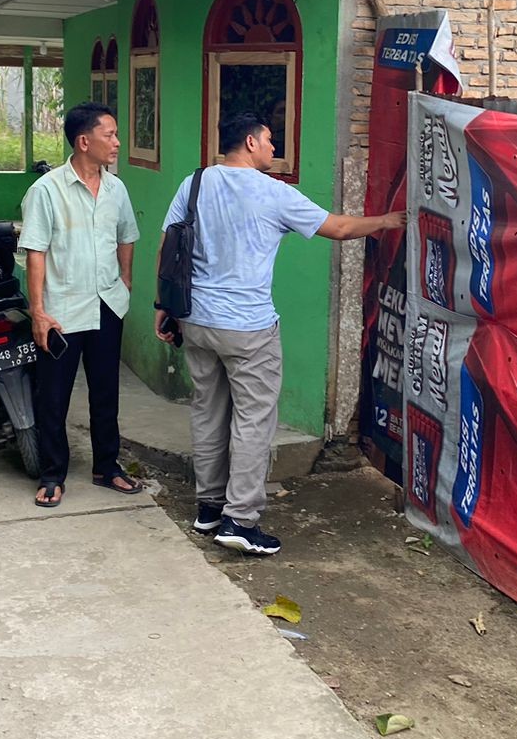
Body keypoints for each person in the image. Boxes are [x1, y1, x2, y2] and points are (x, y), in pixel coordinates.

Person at [156, 112, 405, 557]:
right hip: (248, 328)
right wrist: (387, 221)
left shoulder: (193, 184)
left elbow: (168, 245)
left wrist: (162, 307)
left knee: (208, 413)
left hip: (195, 319)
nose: (274, 149)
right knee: (253, 421)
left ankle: (209, 508)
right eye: (270, 141)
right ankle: (240, 519)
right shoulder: (274, 193)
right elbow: (341, 229)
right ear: (250, 143)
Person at [20, 102, 142, 507]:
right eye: (110, 135)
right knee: (53, 396)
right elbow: (35, 252)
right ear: (83, 141)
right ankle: (52, 474)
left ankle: (107, 466)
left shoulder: (116, 188)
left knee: (106, 391)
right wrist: (38, 311)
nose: (117, 143)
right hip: (61, 309)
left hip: (107, 303)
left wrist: (124, 281)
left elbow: (127, 235)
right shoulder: (47, 191)